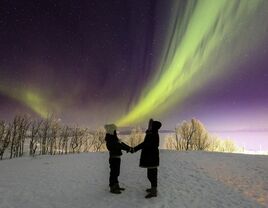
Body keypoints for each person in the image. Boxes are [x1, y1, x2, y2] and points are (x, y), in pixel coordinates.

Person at [132, 119, 162, 198]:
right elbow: (145, 143)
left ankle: (154, 191)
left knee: (152, 175)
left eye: (150, 125)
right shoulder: (151, 133)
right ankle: (153, 188)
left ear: (153, 127)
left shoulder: (153, 134)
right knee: (150, 175)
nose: (149, 126)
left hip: (152, 157)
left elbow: (145, 144)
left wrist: (134, 149)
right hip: (150, 157)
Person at [104, 124, 132, 194]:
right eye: (114, 130)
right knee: (113, 173)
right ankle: (112, 187)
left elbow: (121, 144)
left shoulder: (114, 138)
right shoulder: (110, 138)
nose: (115, 131)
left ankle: (116, 185)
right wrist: (128, 149)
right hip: (113, 158)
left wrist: (129, 148)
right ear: (111, 130)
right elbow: (118, 145)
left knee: (116, 172)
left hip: (117, 157)